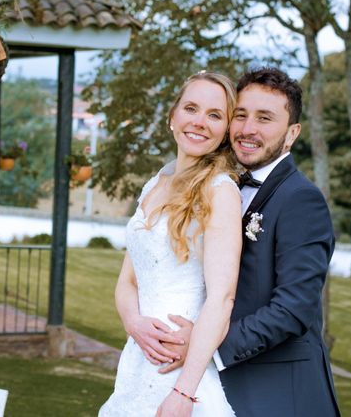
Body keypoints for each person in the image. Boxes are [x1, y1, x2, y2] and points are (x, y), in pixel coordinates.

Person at [152, 67, 341, 416]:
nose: (248, 129)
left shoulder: (301, 200)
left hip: (279, 394)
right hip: (213, 386)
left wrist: (204, 345)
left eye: (265, 118)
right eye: (241, 115)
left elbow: (293, 309)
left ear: (292, 133)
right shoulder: (219, 185)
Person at [99, 72, 243, 417]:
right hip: (137, 359)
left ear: (225, 131)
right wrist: (134, 322)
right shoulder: (154, 185)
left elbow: (222, 299)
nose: (199, 122)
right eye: (191, 108)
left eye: (214, 115)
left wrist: (183, 392)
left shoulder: (220, 192)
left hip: (181, 372)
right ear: (172, 117)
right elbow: (128, 281)